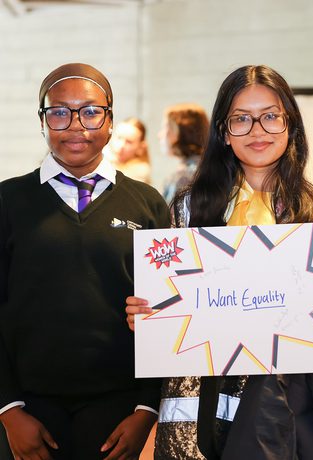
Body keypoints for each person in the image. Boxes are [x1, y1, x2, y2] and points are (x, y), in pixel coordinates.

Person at [125, 65, 313, 459]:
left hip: (286, 420)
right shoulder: (188, 211)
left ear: (291, 124)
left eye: (271, 116)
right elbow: (170, 314)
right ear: (223, 131)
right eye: (241, 119)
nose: (257, 130)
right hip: (196, 422)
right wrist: (149, 314)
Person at [0, 63, 170, 460]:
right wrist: (7, 409)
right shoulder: (8, 201)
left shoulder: (147, 205)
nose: (76, 124)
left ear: (110, 121)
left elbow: (164, 315)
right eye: (59, 112)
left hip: (118, 408)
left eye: (91, 111)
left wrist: (146, 409)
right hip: (28, 409)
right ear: (42, 122)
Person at [159, 103, 209, 203]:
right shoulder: (205, 166)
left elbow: (170, 216)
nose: (159, 135)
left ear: (180, 132)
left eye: (165, 128)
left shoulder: (184, 177)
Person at [107, 117, 152, 184]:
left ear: (140, 148)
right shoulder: (104, 157)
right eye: (119, 138)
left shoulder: (139, 173)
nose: (121, 146)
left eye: (129, 142)